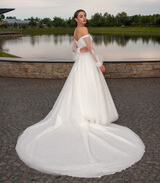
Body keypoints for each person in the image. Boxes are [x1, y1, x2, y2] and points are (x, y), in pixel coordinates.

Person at [16, 9, 145, 178]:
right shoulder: (83, 30)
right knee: (90, 88)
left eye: (85, 16)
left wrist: (80, 51)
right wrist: (99, 64)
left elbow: (74, 49)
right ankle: (90, 114)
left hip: (80, 66)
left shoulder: (75, 31)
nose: (84, 19)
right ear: (76, 18)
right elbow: (91, 49)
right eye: (81, 16)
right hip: (88, 65)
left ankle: (84, 113)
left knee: (79, 89)